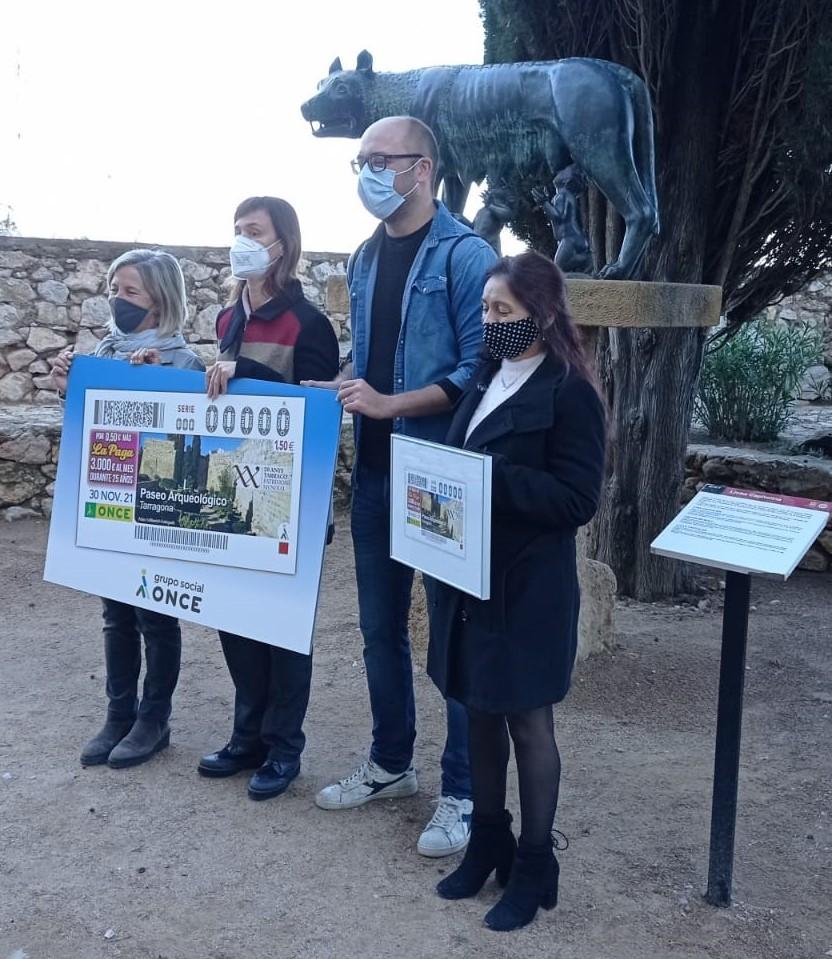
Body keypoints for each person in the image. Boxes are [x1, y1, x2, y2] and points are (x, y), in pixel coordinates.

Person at [303, 116, 496, 857]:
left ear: (422, 168)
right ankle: (392, 763)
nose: (367, 173)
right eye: (361, 160)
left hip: (439, 476)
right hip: (378, 473)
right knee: (379, 628)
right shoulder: (362, 256)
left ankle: (464, 789)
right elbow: (370, 356)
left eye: (379, 160)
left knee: (450, 636)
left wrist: (391, 403)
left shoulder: (468, 255)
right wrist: (340, 385)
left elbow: (482, 370)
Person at [426, 251, 606, 931]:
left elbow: (578, 498)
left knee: (528, 722)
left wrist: (492, 476)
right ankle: (488, 842)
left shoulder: (569, 392)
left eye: (503, 311)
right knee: (475, 708)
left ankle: (534, 863)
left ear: (544, 313)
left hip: (528, 587)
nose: (489, 321)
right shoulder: (486, 374)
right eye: (485, 310)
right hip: (469, 577)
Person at [197, 196, 339, 800]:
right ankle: (246, 736)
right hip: (232, 497)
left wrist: (242, 379)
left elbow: (316, 415)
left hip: (290, 505)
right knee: (234, 621)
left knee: (282, 628)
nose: (242, 239)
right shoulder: (229, 320)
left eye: (254, 230)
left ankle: (285, 748)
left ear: (284, 243)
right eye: (237, 229)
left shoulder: (309, 325)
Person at [51, 249, 204, 768]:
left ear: (160, 300)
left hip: (156, 510)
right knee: (115, 615)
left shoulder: (185, 362)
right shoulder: (106, 350)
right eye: (115, 290)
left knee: (155, 617)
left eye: (130, 292)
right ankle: (120, 713)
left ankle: (153, 718)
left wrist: (162, 381)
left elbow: (195, 432)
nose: (118, 300)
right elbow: (90, 421)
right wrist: (65, 386)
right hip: (109, 502)